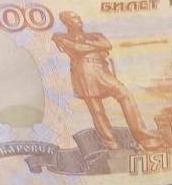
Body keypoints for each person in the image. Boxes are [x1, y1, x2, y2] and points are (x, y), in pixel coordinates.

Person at [52, 10, 155, 151]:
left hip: (102, 69)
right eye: (74, 18)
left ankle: (142, 135)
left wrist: (87, 47)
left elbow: (107, 45)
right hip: (84, 72)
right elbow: (77, 48)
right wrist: (95, 46)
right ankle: (110, 144)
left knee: (125, 94)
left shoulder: (96, 35)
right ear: (66, 22)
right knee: (96, 110)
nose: (79, 19)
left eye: (78, 16)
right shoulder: (60, 37)